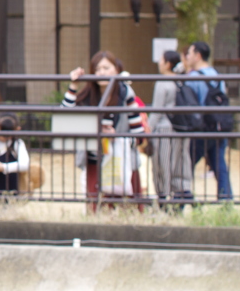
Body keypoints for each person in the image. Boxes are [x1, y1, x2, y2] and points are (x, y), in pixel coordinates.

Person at [62, 50, 144, 211]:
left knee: (127, 210)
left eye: (106, 68)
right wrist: (73, 85)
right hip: (95, 159)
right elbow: (64, 117)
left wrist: (116, 137)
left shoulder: (125, 92)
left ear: (116, 70)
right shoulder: (88, 93)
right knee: (96, 209)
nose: (101, 73)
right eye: (98, 69)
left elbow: (139, 135)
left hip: (123, 162)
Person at [184, 41, 232, 200]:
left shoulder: (193, 77)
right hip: (218, 127)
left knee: (186, 163)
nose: (187, 57)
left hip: (201, 128)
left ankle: (183, 195)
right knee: (220, 166)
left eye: (189, 53)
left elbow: (188, 101)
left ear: (198, 56)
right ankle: (226, 199)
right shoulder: (217, 75)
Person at [148, 50, 192, 206]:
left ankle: (163, 195)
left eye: (161, 60)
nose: (159, 63)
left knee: (163, 163)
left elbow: (157, 111)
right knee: (179, 161)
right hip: (181, 127)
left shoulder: (163, 82)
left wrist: (147, 130)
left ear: (167, 64)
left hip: (164, 129)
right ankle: (181, 191)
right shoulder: (181, 80)